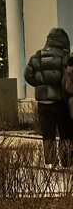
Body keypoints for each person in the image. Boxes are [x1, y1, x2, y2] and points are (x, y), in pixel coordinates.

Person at [24, 28, 72, 167]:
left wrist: (40, 83)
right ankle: (66, 160)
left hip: (43, 103)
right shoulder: (65, 57)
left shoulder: (37, 56)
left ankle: (51, 161)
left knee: (48, 134)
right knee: (65, 132)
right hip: (61, 102)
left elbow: (28, 75)